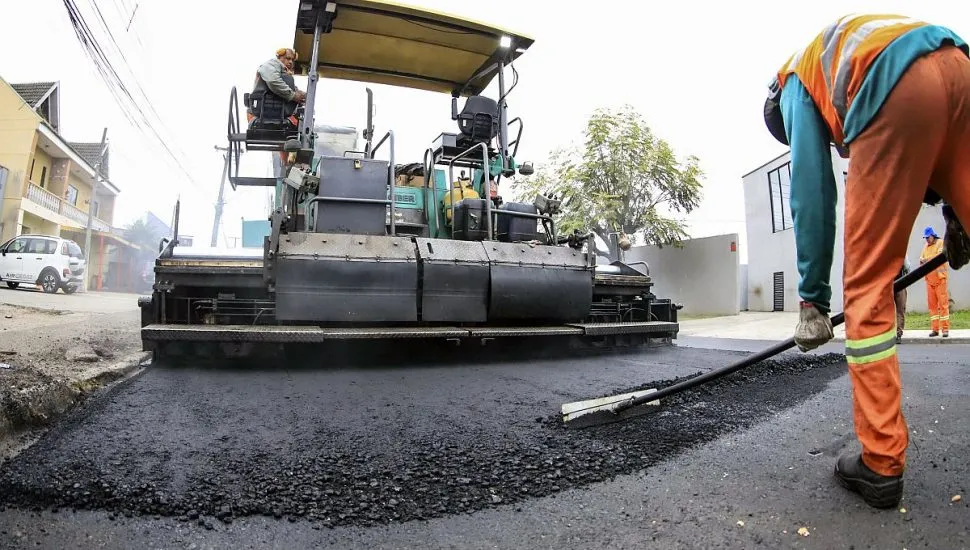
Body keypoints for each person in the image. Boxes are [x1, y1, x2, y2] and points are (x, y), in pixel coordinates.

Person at [761, 14, 970, 509]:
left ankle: (880, 462)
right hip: (960, 66)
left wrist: (813, 301)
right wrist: (955, 217)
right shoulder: (843, 49)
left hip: (892, 83)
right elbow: (934, 145)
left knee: (868, 289)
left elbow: (812, 194)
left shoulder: (794, 84)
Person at [920, 227, 949, 337]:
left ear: (933, 235)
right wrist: (923, 260)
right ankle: (935, 329)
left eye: (928, 237)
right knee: (932, 307)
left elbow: (938, 258)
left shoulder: (940, 243)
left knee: (943, 305)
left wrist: (926, 259)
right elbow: (921, 259)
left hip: (940, 279)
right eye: (925, 238)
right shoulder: (925, 247)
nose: (927, 239)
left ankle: (945, 329)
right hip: (929, 280)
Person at [894, 259, 910, 344]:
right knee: (900, 310)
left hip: (887, 285)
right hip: (900, 283)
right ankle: (899, 334)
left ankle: (887, 334)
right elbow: (907, 268)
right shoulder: (902, 253)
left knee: (886, 311)